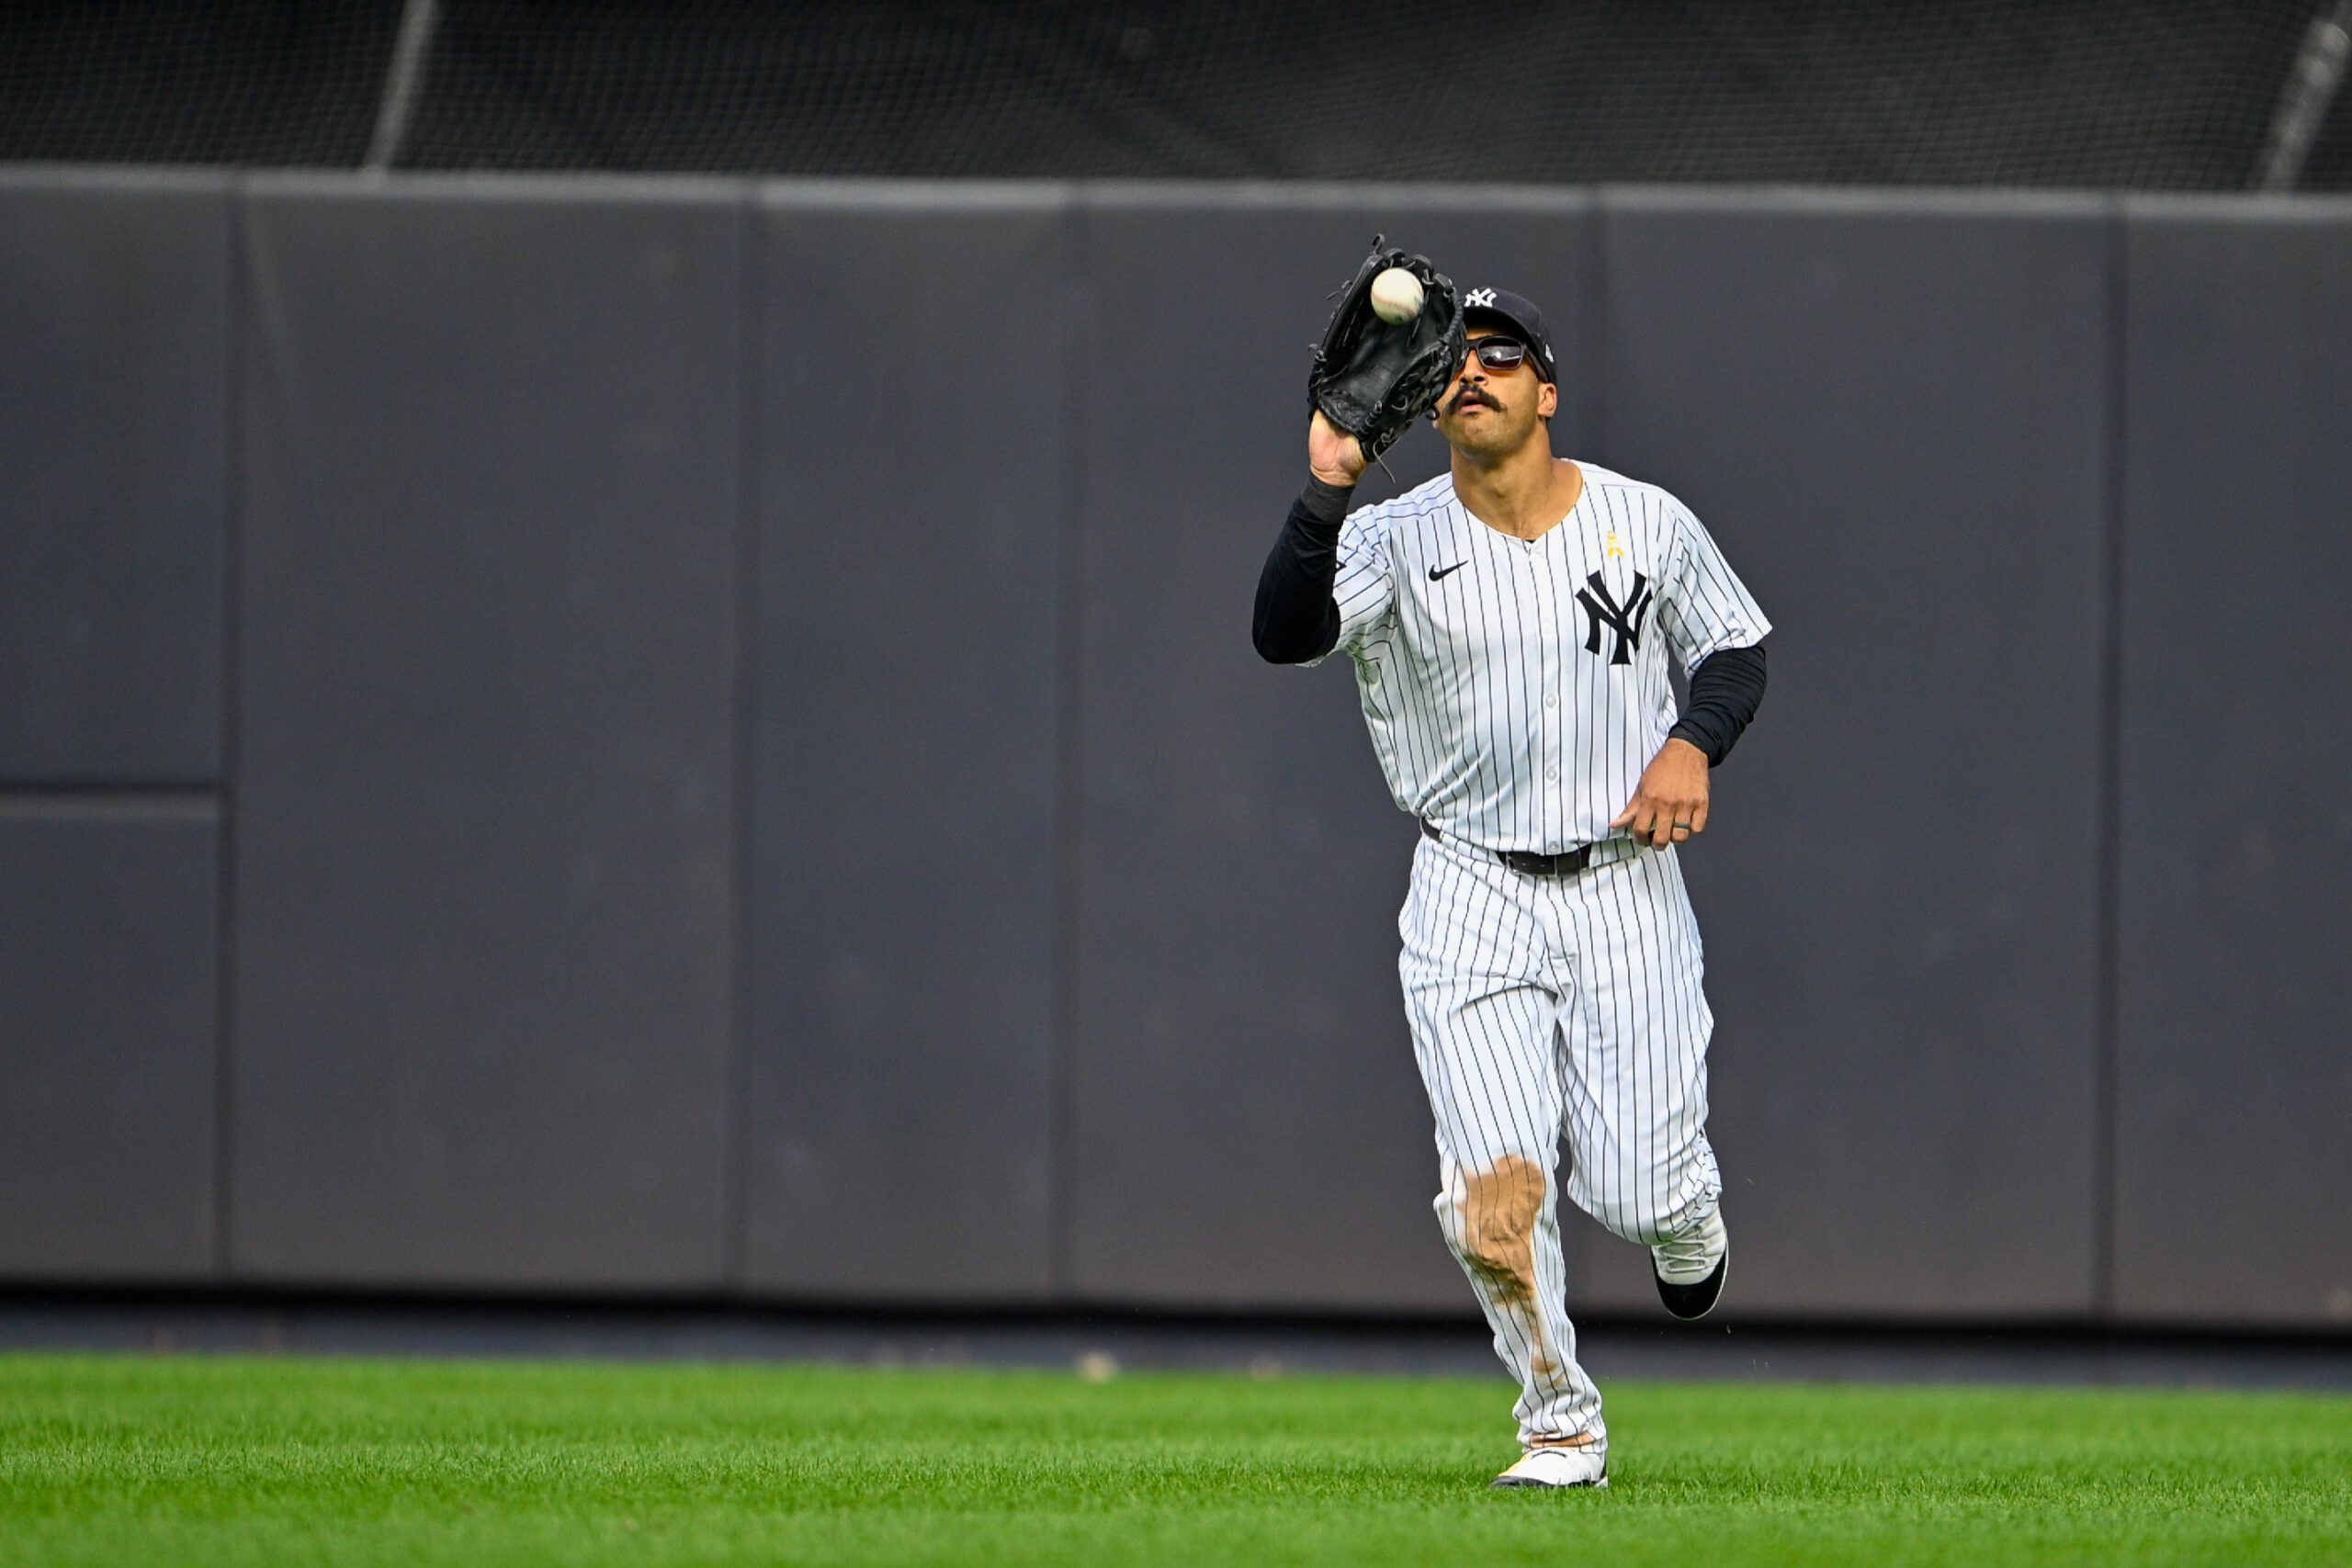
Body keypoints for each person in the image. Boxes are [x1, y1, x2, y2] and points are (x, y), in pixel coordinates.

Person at [1253, 288, 1770, 1489]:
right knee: (1492, 1191)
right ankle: (1559, 1423)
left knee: (1641, 1191)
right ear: (1430, 399)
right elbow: (1283, 634)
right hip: (1470, 887)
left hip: (1624, 889)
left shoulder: (1646, 521)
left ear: (1547, 388)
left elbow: (1736, 648)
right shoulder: (1390, 538)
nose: (1473, 370)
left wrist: (1692, 741)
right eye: (1453, 358)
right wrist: (1328, 478)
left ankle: (1685, 1205)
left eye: (1503, 354)